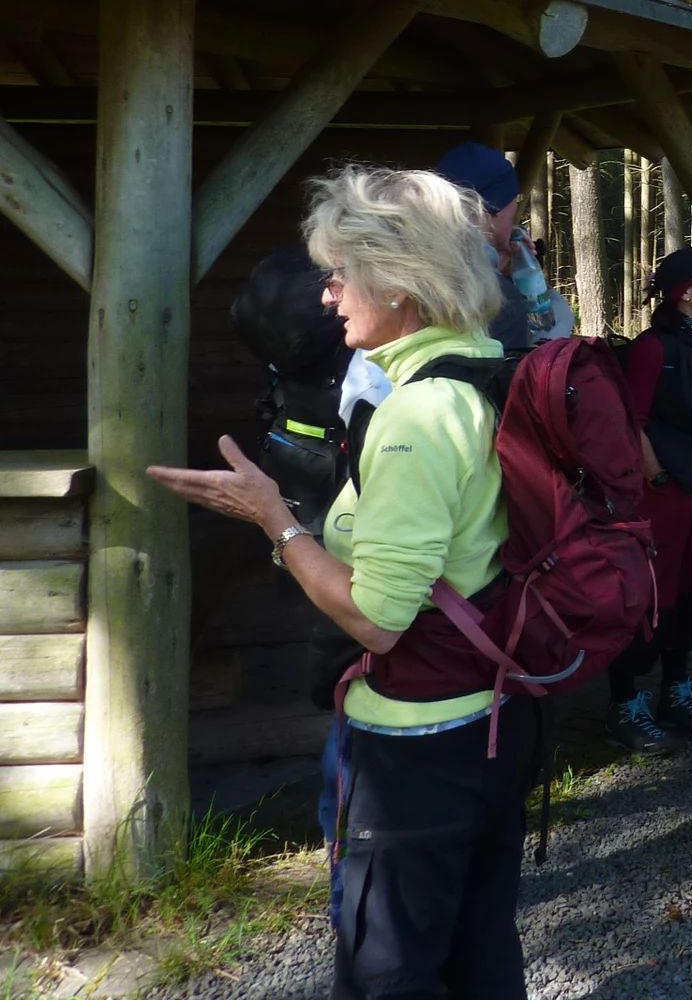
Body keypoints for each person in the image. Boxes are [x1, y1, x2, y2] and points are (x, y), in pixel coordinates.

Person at [150, 166, 540, 1000]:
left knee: (388, 970)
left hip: (417, 745)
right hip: (493, 717)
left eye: (339, 273)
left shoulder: (416, 415)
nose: (327, 297)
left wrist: (273, 518)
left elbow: (376, 621)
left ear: (398, 282)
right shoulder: (484, 365)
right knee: (480, 950)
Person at [605, 246, 692, 757]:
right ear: (684, 290)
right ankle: (625, 703)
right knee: (649, 596)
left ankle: (676, 689)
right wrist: (657, 475)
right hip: (660, 497)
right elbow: (629, 421)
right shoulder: (653, 349)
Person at [434, 141, 572, 351]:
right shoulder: (496, 297)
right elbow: (536, 339)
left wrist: (507, 270)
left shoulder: (427, 259)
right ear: (496, 206)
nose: (517, 207)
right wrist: (523, 286)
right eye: (515, 197)